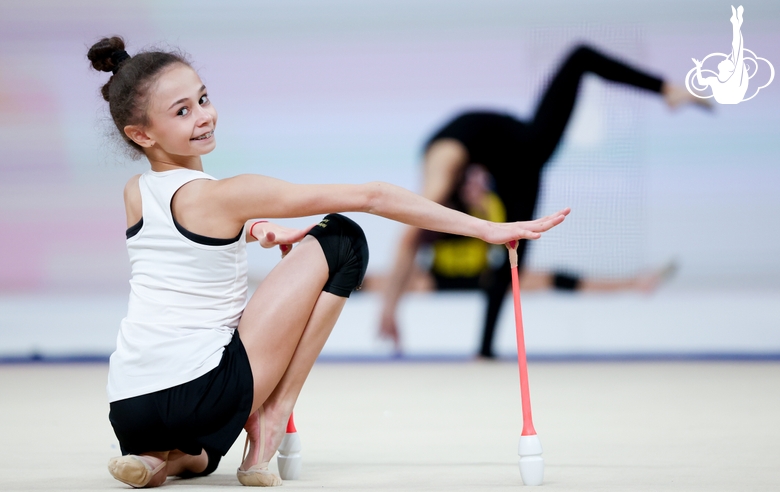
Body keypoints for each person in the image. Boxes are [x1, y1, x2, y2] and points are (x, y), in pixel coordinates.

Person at [88, 36, 568, 488]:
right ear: (142, 133)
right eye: (183, 111)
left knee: (205, 450)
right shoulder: (228, 194)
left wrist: (255, 228)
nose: (205, 116)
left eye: (204, 98)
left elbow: (181, 237)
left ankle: (156, 460)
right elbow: (372, 196)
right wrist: (487, 228)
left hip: (129, 408)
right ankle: (274, 414)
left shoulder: (135, 192)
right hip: (202, 395)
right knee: (343, 237)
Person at [379, 44, 707, 359]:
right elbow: (413, 240)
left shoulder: (441, 165)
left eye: (478, 190)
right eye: (476, 193)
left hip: (523, 147)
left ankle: (666, 89)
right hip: (516, 169)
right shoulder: (458, 182)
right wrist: (391, 310)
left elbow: (409, 235)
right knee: (511, 258)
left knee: (580, 56)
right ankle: (484, 351)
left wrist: (389, 310)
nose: (479, 195)